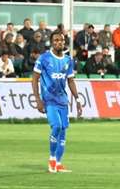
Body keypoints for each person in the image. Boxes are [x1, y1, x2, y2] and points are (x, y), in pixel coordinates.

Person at [32, 32, 82, 174]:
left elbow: (70, 80)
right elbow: (34, 78)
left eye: (61, 40)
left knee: (63, 131)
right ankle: (52, 159)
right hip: (49, 100)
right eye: (56, 40)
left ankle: (59, 163)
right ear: (52, 42)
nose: (59, 42)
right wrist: (37, 99)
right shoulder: (44, 58)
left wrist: (77, 99)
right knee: (57, 126)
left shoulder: (68, 60)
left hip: (63, 101)